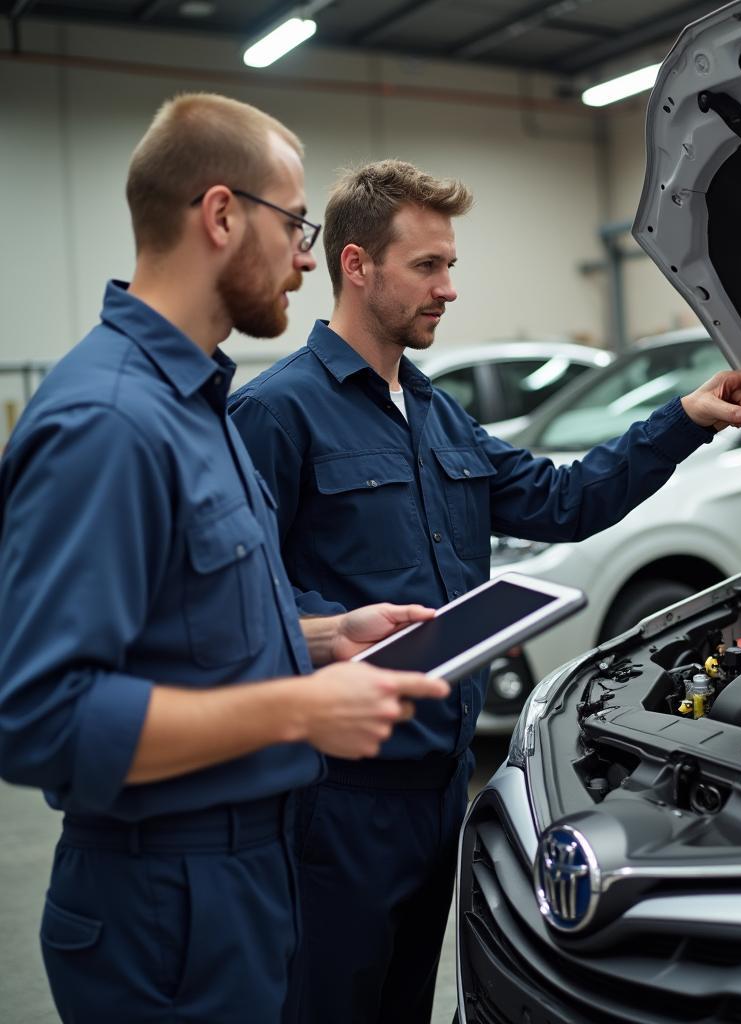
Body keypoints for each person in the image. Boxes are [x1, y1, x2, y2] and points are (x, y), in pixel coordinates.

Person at [228, 158, 741, 1023]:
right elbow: (233, 604)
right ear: (355, 265)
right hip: (334, 803)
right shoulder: (276, 414)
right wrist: (328, 629)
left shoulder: (435, 411)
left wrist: (682, 420)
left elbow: (564, 500)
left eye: (450, 265)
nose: (448, 288)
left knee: (407, 1000)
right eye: (427, 266)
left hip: (442, 786)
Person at [0, 100, 449, 1024]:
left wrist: (324, 636)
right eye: (294, 225)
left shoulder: (197, 402)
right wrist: (298, 707)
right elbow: (40, 716)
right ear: (219, 214)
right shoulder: (109, 421)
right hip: (165, 901)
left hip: (247, 872)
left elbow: (187, 616)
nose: (305, 256)